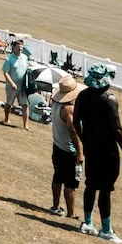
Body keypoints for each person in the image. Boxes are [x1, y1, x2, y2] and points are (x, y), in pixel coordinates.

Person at [72, 63, 122, 244]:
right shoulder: (109, 99)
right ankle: (106, 229)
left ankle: (88, 222)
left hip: (91, 148)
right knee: (106, 189)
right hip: (108, 150)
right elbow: (118, 130)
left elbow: (76, 122)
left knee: (90, 185)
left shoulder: (82, 95)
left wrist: (84, 139)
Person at [49, 74, 85, 218]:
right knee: (71, 183)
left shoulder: (56, 104)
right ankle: (71, 213)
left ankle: (55, 206)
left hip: (57, 145)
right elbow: (74, 133)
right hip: (68, 150)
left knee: (57, 177)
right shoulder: (68, 110)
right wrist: (80, 152)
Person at [1, 39, 29, 129]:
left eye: (21, 48)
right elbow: (5, 72)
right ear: (13, 47)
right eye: (18, 48)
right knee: (9, 103)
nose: (20, 49)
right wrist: (12, 83)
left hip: (23, 86)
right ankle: (6, 119)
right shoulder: (9, 59)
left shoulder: (25, 57)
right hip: (12, 86)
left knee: (25, 105)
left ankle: (26, 126)